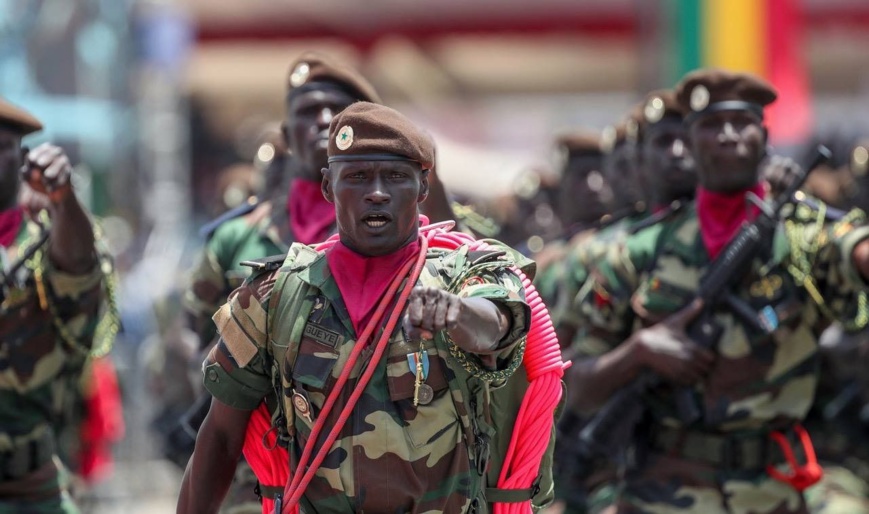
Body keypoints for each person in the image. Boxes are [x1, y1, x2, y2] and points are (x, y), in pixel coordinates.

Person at [177, 102, 534, 514]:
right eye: (358, 177)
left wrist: (456, 312)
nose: (377, 192)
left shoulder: (465, 277)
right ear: (329, 186)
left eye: (396, 176)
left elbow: (499, 323)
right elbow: (220, 433)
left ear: (423, 187)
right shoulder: (274, 295)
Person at [567, 69, 869, 514]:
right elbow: (578, 388)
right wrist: (638, 352)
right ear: (689, 142)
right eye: (710, 124)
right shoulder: (636, 251)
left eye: (741, 122)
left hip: (775, 491)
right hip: (662, 492)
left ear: (764, 138)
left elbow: (853, 247)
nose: (727, 136)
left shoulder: (803, 238)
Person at [0, 97, 114, 513]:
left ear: (23, 159)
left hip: (33, 487)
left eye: (1, 147)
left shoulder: (48, 235)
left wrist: (63, 198)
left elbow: (78, 267)